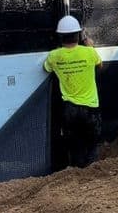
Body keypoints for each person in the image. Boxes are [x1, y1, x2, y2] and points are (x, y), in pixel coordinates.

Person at [43, 15, 103, 169]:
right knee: (92, 144)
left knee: (74, 145)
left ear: (60, 36)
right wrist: (90, 46)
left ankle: (76, 174)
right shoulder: (90, 53)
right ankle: (92, 174)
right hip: (90, 108)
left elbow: (46, 68)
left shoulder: (54, 56)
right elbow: (100, 65)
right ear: (78, 35)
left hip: (69, 110)